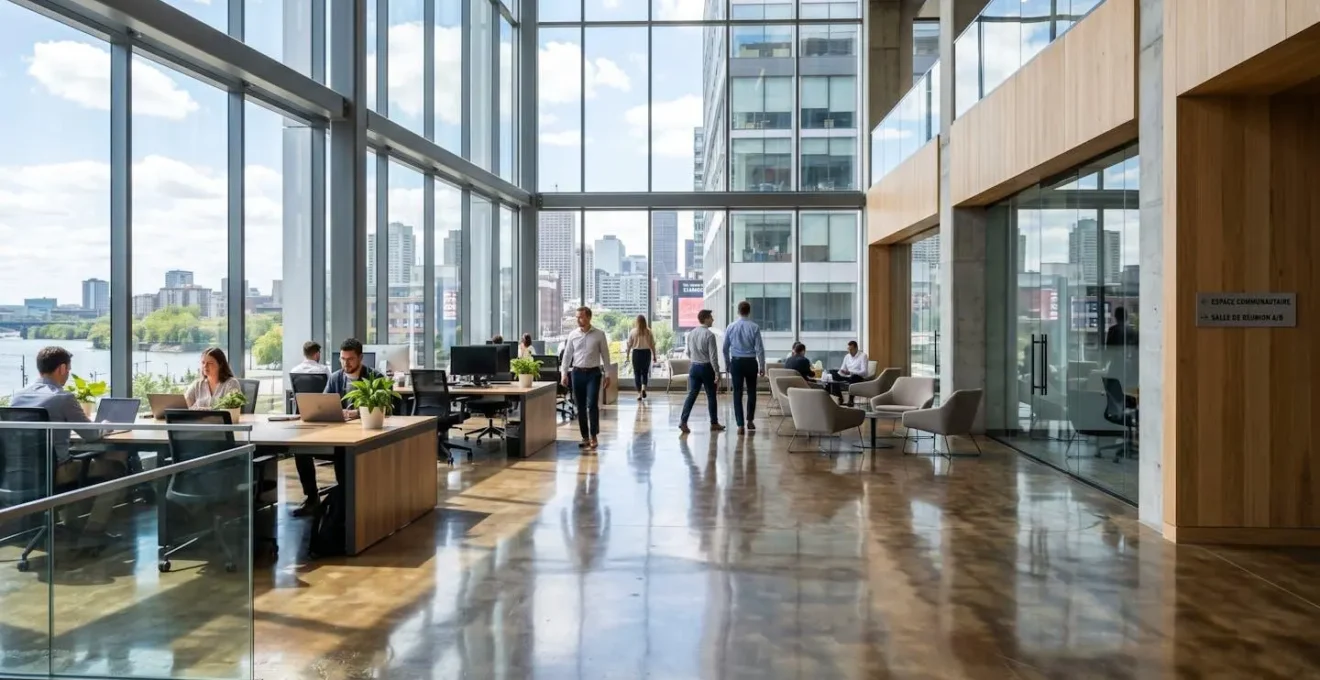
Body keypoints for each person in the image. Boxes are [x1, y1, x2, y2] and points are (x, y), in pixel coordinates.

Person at [9, 346, 128, 542]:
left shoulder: (18, 396)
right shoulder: (63, 397)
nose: (68, 374)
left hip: (19, 472)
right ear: (62, 368)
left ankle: (70, 527)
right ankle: (92, 534)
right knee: (114, 469)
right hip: (56, 470)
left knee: (78, 464)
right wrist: (106, 425)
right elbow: (91, 434)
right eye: (69, 370)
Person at [292, 338, 384, 516]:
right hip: (336, 433)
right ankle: (312, 498)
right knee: (301, 450)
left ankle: (344, 501)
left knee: (344, 453)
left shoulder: (375, 378)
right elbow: (324, 403)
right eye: (342, 359)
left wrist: (359, 413)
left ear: (360, 358)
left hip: (361, 436)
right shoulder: (335, 377)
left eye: (350, 359)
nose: (345, 363)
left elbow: (384, 408)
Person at [560, 306, 611, 451]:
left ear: (588, 317)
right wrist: (564, 373)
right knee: (580, 407)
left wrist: (607, 375)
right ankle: (585, 437)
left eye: (580, 317)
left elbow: (605, 356)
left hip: (593, 373)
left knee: (592, 404)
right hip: (576, 373)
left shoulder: (599, 334)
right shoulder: (572, 335)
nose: (578, 320)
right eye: (577, 317)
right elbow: (567, 355)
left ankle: (594, 435)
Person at [678, 309, 725, 435]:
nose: (713, 320)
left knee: (692, 395)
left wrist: (695, 360)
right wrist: (717, 372)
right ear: (705, 318)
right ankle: (714, 423)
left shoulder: (692, 333)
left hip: (694, 367)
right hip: (706, 368)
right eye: (711, 317)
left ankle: (683, 421)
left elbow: (688, 352)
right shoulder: (709, 335)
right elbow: (713, 356)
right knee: (711, 395)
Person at [722, 300, 765, 435]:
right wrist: (762, 365)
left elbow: (724, 348)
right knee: (752, 392)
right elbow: (760, 349)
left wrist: (728, 364)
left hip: (736, 362)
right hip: (751, 362)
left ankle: (740, 425)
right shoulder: (754, 327)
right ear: (749, 311)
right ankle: (750, 420)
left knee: (737, 393)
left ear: (738, 311)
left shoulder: (731, 327)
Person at [625, 314, 655, 400]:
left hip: (636, 354)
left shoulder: (633, 332)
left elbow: (629, 345)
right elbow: (652, 345)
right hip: (646, 353)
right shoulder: (649, 332)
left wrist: (627, 356)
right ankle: (643, 389)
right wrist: (654, 356)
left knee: (637, 374)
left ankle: (639, 394)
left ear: (637, 322)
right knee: (645, 373)